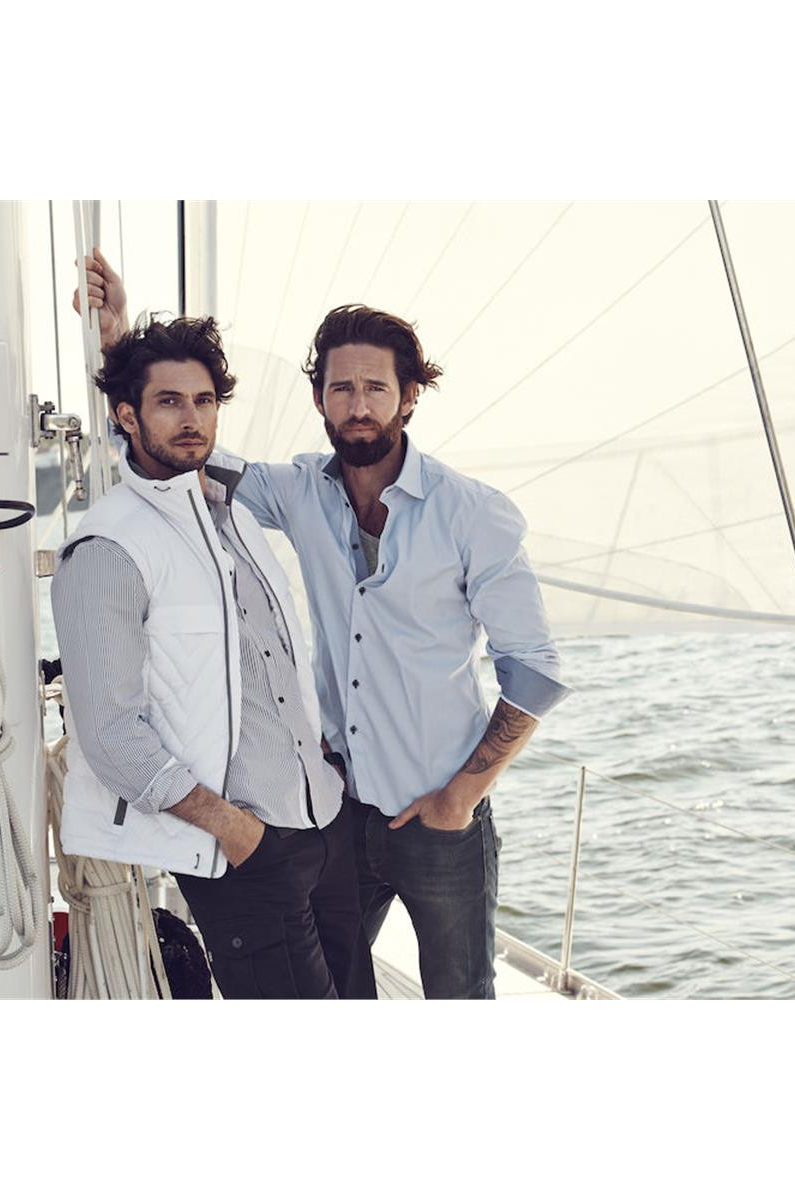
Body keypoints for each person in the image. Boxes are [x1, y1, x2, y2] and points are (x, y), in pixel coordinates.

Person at [79, 253, 569, 999]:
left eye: (376, 388)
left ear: (409, 397)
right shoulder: (299, 491)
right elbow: (177, 453)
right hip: (340, 813)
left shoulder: (473, 514)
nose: (358, 405)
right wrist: (118, 342)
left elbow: (534, 671)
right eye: (342, 388)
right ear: (320, 398)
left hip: (440, 820)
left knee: (460, 999)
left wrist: (460, 799)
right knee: (339, 990)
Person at [51, 312, 375, 999]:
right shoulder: (108, 547)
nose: (191, 419)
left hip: (322, 821)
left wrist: (328, 774)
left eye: (204, 401)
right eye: (169, 402)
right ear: (127, 417)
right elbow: (110, 735)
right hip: (244, 853)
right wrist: (233, 831)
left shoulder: (234, 513)